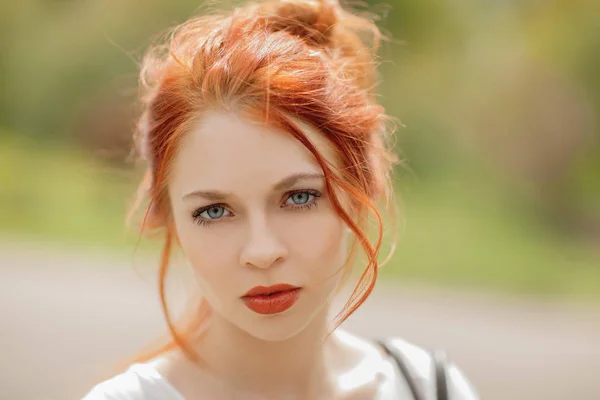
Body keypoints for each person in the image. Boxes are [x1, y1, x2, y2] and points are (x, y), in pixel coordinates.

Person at [83, 0, 479, 398]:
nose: (262, 251)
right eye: (214, 211)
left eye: (299, 197)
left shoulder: (428, 388)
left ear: (363, 182)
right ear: (164, 215)